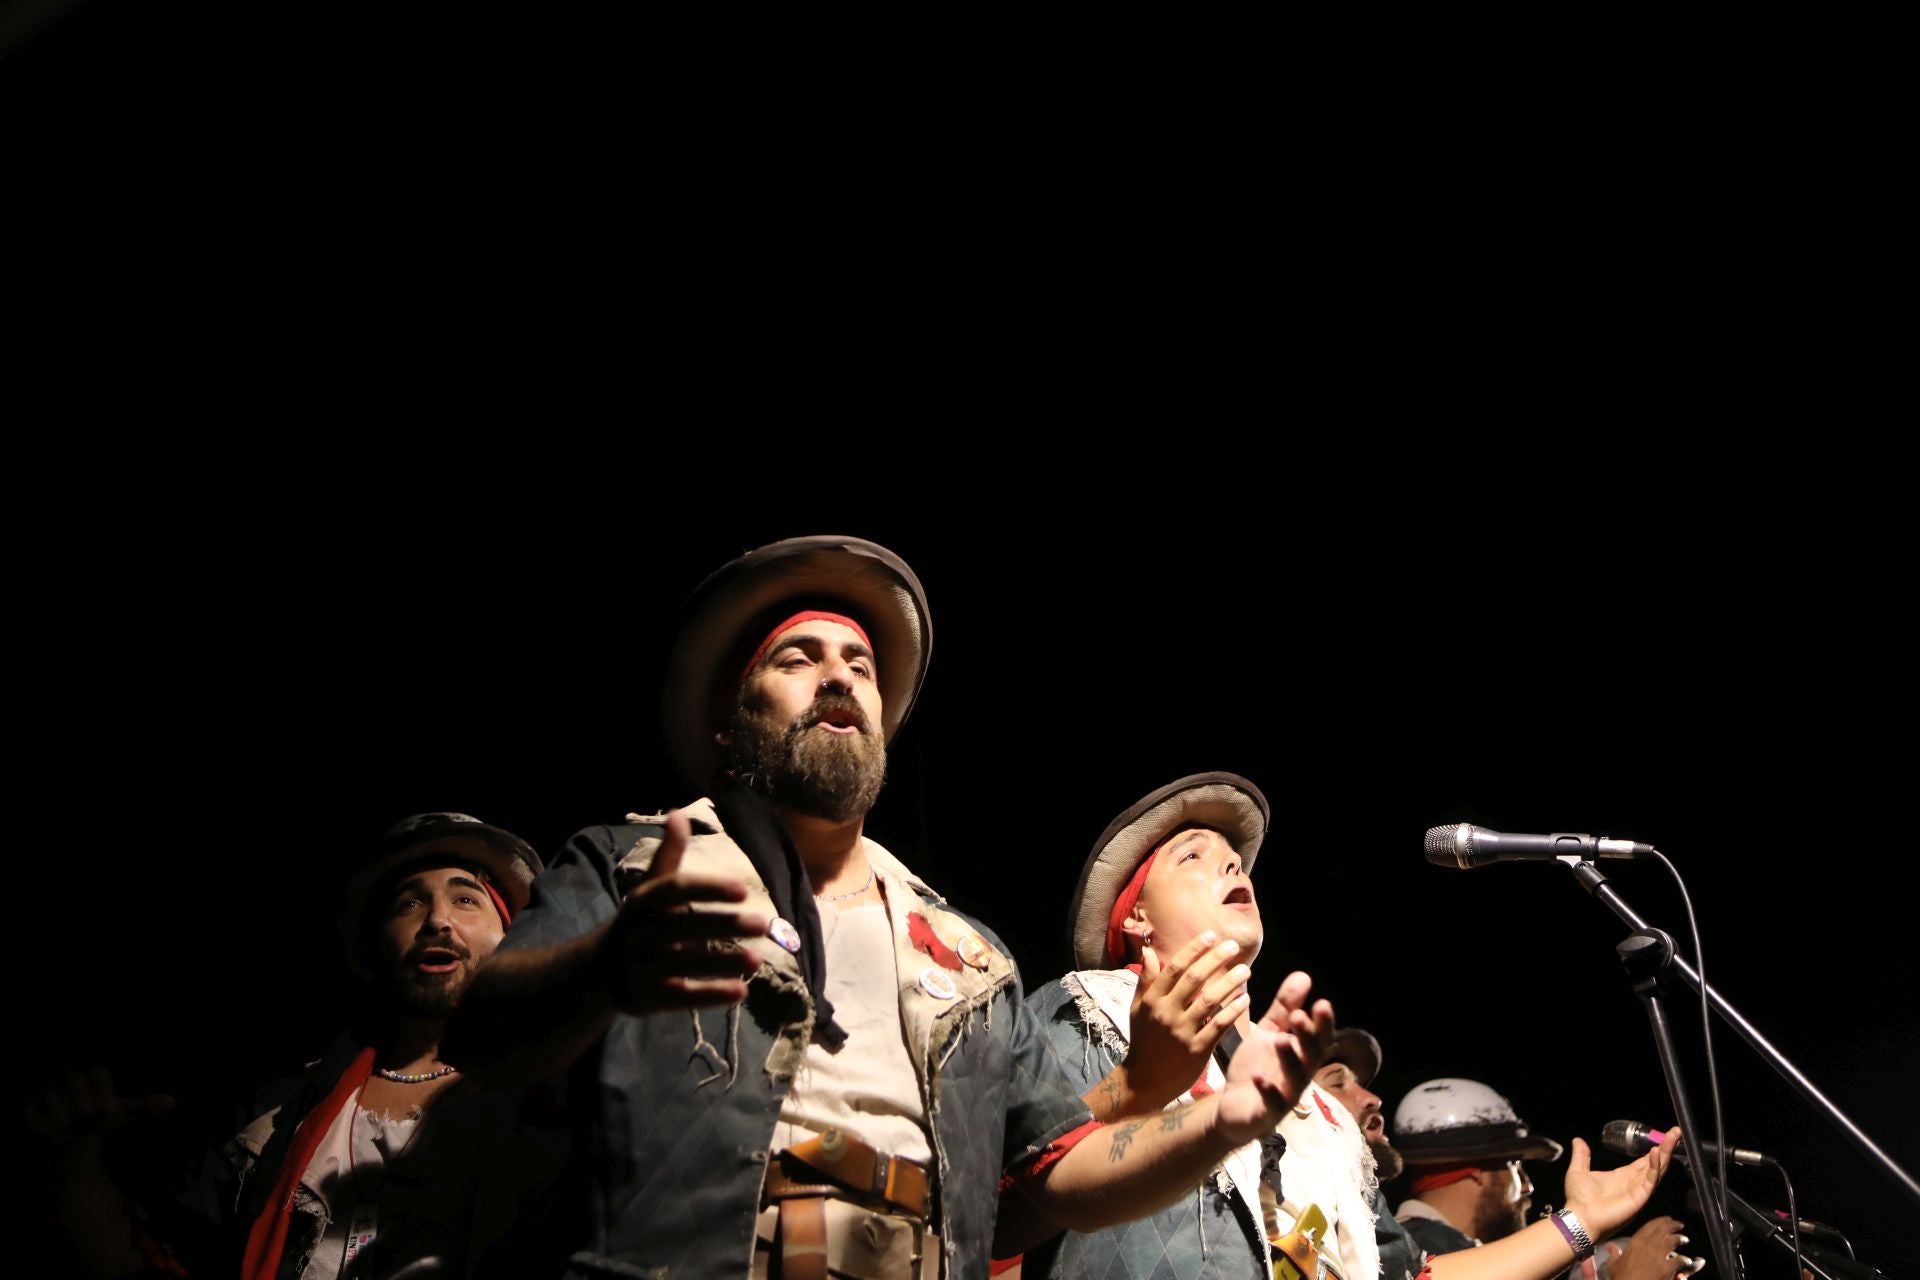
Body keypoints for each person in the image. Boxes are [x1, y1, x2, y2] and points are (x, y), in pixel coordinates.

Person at [442, 536, 1337, 1280]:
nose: (838, 678)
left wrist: (1226, 1120)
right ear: (728, 722)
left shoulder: (967, 956)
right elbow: (483, 1035)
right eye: (799, 658)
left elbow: (1064, 1172)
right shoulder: (634, 867)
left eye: (861, 666)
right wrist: (602, 967)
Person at [29, 812, 562, 1280]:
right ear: (376, 946)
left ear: (512, 935)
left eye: (466, 899)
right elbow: (138, 1264)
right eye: (409, 903)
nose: (437, 921)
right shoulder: (277, 1118)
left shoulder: (564, 1097)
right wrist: (74, 1160)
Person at [1012, 772, 1376, 1280]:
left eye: (1232, 855)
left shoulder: (1322, 1110)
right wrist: (1140, 1083)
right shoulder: (1086, 1010)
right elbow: (1004, 1207)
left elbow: (1409, 1269)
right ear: (1136, 915)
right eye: (1192, 856)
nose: (1232, 861)